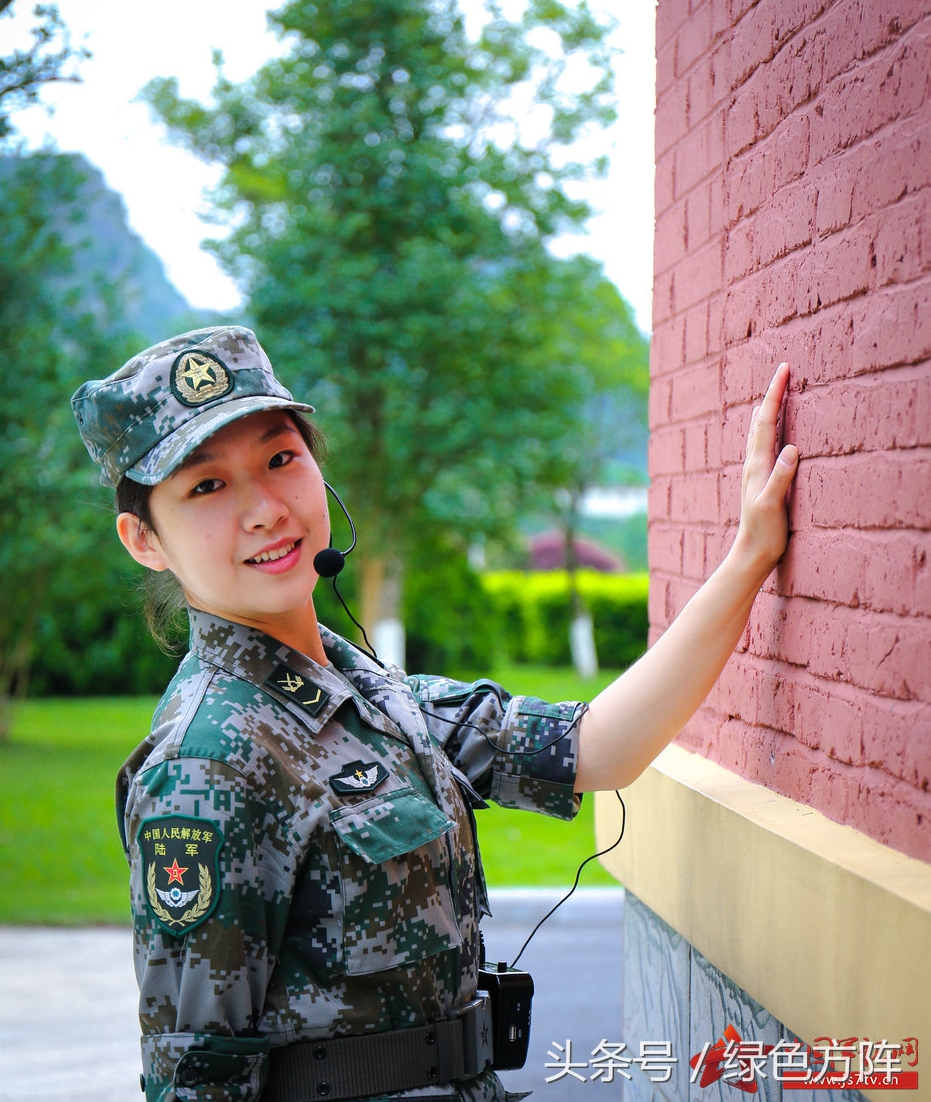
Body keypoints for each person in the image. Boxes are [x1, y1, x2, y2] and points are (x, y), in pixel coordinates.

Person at [72, 325, 798, 1102]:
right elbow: (196, 1080)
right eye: (206, 486)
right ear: (143, 539)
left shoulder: (376, 695)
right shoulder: (209, 760)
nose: (264, 510)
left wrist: (752, 553)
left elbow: (600, 747)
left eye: (281, 458)